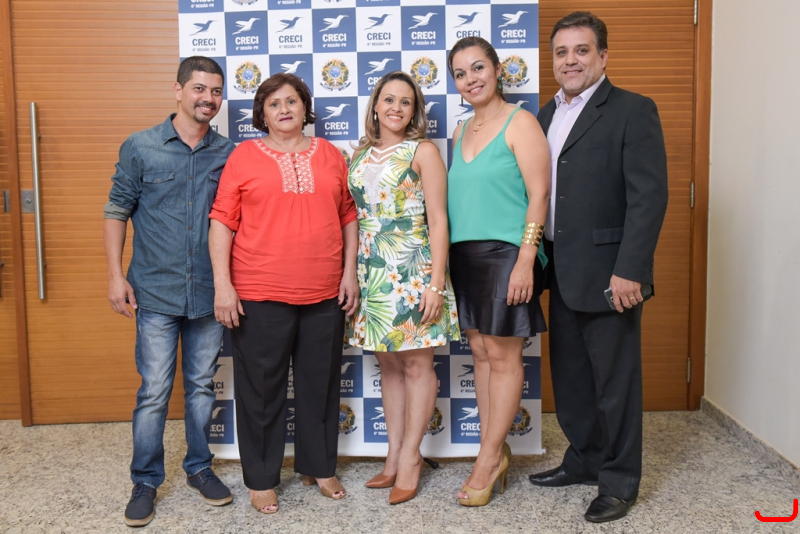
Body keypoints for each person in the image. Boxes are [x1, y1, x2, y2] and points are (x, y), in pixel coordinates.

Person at [528, 12, 669, 523]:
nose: (571, 60)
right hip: (560, 272)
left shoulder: (633, 110)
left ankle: (619, 481)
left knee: (615, 384)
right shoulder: (544, 114)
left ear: (603, 56)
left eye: (582, 50)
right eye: (562, 52)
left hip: (612, 274)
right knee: (571, 381)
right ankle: (585, 459)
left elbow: (649, 197)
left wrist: (631, 268)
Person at [208, 73, 359, 515]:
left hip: (324, 292)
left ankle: (320, 467)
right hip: (259, 292)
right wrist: (223, 285)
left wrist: (349, 273)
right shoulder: (243, 156)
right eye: (273, 104)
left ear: (304, 107)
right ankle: (261, 479)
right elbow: (222, 221)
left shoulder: (330, 154)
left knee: (320, 385)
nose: (284, 109)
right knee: (261, 390)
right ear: (262, 114)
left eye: (291, 101)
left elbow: (348, 216)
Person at [104, 56, 235, 527]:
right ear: (178, 91)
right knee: (155, 391)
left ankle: (199, 468)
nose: (208, 98)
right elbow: (116, 211)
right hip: (155, 292)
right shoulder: (141, 147)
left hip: (208, 293)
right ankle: (145, 480)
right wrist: (115, 276)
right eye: (199, 88)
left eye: (216, 91)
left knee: (200, 386)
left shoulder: (230, 153)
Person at [345, 71, 460, 505]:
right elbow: (354, 217)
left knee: (416, 366)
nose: (396, 108)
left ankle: (412, 457)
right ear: (375, 105)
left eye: (406, 102)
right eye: (389, 99)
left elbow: (439, 220)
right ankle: (392, 457)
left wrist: (435, 283)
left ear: (415, 111)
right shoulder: (359, 154)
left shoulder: (423, 151)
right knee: (389, 367)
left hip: (413, 270)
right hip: (372, 273)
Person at [446, 37, 551, 507]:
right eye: (461, 73)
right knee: (481, 353)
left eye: (478, 68)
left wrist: (527, 258)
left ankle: (487, 461)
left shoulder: (520, 121)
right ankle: (494, 449)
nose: (471, 79)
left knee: (503, 356)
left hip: (508, 252)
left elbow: (539, 194)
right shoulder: (459, 131)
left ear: (496, 69)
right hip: (465, 256)